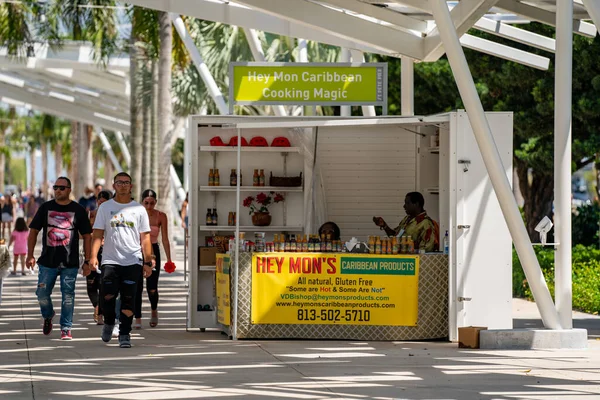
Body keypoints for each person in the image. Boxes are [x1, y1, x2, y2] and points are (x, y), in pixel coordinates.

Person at [88, 172, 155, 348]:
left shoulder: (139, 209)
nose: (123, 185)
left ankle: (125, 334)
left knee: (128, 299)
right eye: (120, 182)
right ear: (114, 185)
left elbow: (146, 238)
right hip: (110, 261)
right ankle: (109, 322)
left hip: (133, 261)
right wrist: (93, 257)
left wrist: (147, 262)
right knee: (107, 297)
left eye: (126, 182)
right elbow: (97, 234)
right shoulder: (105, 208)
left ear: (131, 186)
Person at [27, 177, 92, 340]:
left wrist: (88, 261)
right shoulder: (45, 207)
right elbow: (33, 231)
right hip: (47, 261)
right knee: (41, 293)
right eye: (56, 187)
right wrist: (29, 255)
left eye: (62, 188)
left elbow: (87, 236)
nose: (58, 190)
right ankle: (48, 315)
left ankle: (66, 328)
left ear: (69, 190)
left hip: (69, 263)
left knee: (68, 295)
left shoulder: (78, 210)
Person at [134, 189, 172, 329]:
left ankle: (154, 310)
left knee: (152, 287)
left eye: (152, 203)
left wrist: (169, 259)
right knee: (137, 287)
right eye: (146, 203)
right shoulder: (136, 215)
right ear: (142, 202)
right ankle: (137, 318)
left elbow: (165, 239)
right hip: (138, 250)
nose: (149, 206)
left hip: (154, 250)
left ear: (156, 202)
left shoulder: (161, 216)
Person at [373, 191, 439, 252]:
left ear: (416, 204)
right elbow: (396, 236)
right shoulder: (407, 219)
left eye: (407, 203)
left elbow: (426, 250)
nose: (404, 206)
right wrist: (384, 225)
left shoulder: (426, 223)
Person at [85, 190, 113, 325]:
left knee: (102, 285)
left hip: (107, 252)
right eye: (99, 202)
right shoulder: (92, 214)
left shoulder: (114, 215)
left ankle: (100, 314)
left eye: (104, 202)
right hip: (91, 251)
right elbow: (84, 233)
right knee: (90, 286)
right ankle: (97, 306)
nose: (101, 204)